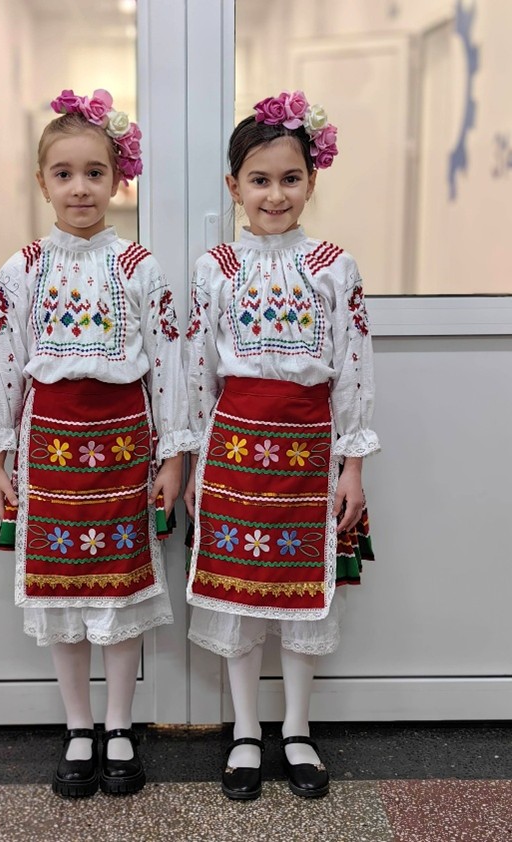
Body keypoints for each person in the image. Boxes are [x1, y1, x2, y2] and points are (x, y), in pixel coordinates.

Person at [0, 88, 196, 799]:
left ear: (117, 179)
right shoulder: (21, 271)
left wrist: (173, 457)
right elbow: (3, 365)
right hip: (50, 451)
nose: (79, 188)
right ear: (42, 182)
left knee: (122, 592)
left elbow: (169, 365)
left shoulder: (140, 268)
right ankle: (77, 726)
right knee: (61, 596)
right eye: (63, 173)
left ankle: (120, 725)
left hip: (125, 447)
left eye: (94, 172)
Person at [184, 90, 379, 801]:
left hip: (310, 451)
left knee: (304, 599)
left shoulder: (334, 266)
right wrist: (193, 462)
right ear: (233, 185)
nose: (275, 195)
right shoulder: (215, 268)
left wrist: (353, 466)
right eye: (260, 180)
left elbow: (354, 368)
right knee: (239, 595)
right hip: (233, 451)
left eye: (290, 178)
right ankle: (244, 729)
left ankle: (296, 728)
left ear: (311, 181)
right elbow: (197, 371)